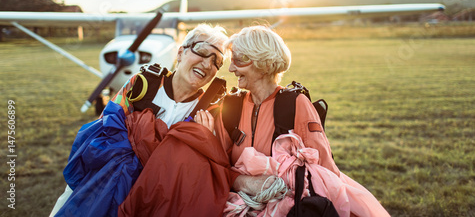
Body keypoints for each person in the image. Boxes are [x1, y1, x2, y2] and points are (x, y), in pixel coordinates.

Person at [50, 23, 229, 217]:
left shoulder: (210, 112)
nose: (207, 64)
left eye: (216, 61)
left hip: (157, 201)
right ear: (180, 53)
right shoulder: (142, 85)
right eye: (201, 51)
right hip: (108, 187)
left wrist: (202, 139)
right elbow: (102, 132)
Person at [210, 26, 390, 216]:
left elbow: (324, 169)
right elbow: (218, 167)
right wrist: (244, 182)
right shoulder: (230, 107)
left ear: (265, 63)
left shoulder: (296, 104)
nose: (231, 68)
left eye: (239, 60)